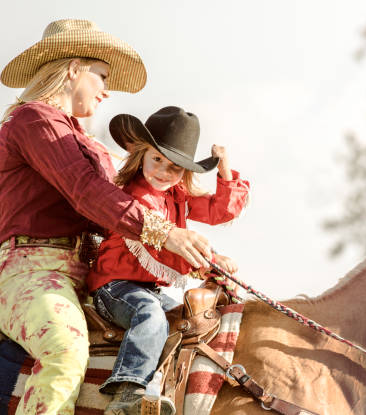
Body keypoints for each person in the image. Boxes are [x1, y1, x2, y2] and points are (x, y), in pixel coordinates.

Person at [0, 19, 216, 415]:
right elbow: (87, 192)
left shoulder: (84, 141)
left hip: (88, 279)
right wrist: (166, 234)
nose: (107, 89)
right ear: (74, 68)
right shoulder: (35, 121)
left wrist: (199, 255)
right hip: (31, 273)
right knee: (65, 352)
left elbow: (120, 204)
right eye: (102, 76)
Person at [86, 106, 250, 414]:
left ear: (184, 173)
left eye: (174, 167)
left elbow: (218, 210)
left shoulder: (177, 195)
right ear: (141, 155)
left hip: (149, 289)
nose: (163, 171)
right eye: (157, 159)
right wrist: (209, 261)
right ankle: (127, 390)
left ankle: (162, 387)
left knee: (183, 323)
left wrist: (224, 171)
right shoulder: (136, 197)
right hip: (116, 286)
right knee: (150, 316)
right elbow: (160, 248)